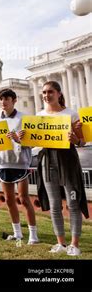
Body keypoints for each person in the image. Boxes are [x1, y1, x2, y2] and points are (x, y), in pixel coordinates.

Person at [36, 81, 88, 256]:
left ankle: (74, 244)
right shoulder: (39, 115)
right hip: (47, 160)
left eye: (50, 91)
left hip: (68, 161)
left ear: (59, 93)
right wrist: (21, 138)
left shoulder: (71, 114)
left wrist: (75, 138)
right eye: (44, 92)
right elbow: (34, 141)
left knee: (73, 203)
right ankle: (61, 243)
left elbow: (82, 142)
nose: (46, 95)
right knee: (54, 204)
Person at [0, 89, 38, 244]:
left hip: (20, 163)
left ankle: (33, 234)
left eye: (6, 98)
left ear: (14, 100)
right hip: (3, 162)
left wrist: (19, 140)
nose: (3, 102)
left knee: (24, 199)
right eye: (1, 99)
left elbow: (33, 143)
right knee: (8, 199)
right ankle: (17, 233)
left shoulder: (24, 118)